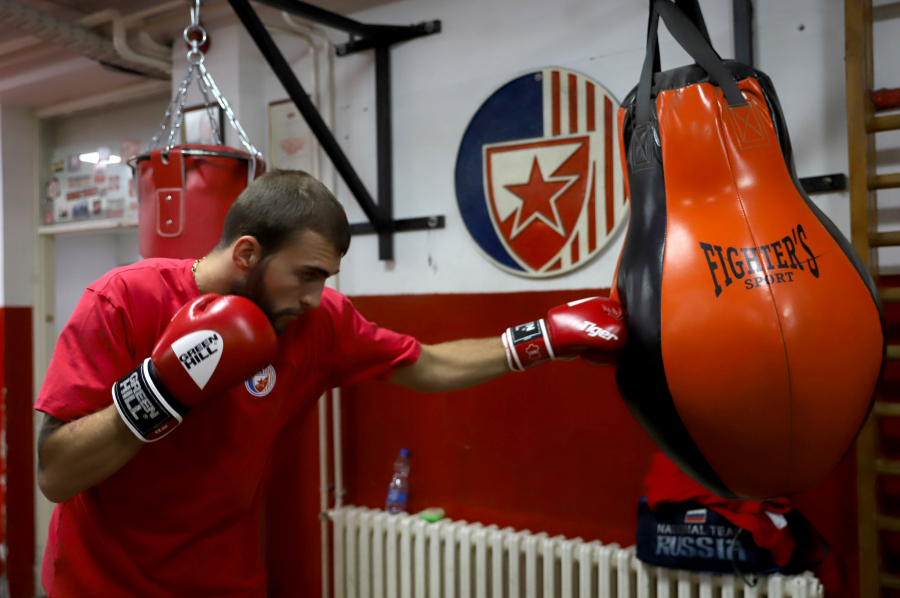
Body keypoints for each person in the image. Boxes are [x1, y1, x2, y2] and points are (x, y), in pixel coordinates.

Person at [35, 170, 625, 597]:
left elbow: (426, 365)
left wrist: (541, 339)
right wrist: (158, 394)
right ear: (246, 252)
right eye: (306, 275)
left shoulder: (320, 321)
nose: (316, 296)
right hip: (98, 584)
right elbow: (56, 474)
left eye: (326, 277)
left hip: (223, 581)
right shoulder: (126, 300)